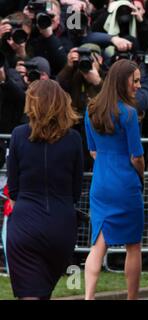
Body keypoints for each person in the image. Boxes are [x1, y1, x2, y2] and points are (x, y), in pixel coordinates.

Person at [6, 79, 83, 300]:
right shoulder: (74, 139)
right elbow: (76, 189)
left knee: (30, 293)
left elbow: (13, 186)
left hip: (25, 224)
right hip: (62, 224)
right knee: (43, 291)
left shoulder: (19, 135)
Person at [84, 59, 145, 300]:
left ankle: (89, 296)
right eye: (136, 80)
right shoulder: (129, 114)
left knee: (98, 245)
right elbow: (137, 156)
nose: (139, 85)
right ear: (123, 82)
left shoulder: (91, 110)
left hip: (100, 183)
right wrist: (140, 174)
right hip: (125, 184)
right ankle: (132, 298)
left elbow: (92, 150)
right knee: (133, 245)